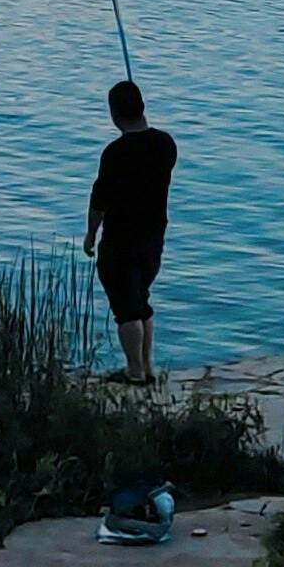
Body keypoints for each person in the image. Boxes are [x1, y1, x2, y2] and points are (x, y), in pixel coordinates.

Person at [82, 77, 175, 384]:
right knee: (141, 300)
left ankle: (134, 371)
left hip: (121, 239)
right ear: (143, 107)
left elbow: (99, 202)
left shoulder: (115, 154)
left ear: (114, 114)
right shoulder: (165, 145)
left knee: (126, 308)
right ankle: (148, 367)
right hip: (153, 238)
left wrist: (90, 235)